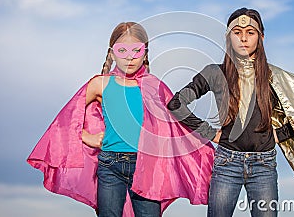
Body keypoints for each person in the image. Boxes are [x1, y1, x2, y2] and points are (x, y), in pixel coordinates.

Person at [167, 8, 294, 217]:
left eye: (250, 32)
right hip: (227, 163)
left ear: (261, 37)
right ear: (228, 37)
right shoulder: (214, 73)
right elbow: (176, 104)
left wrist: (276, 135)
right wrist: (210, 133)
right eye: (237, 32)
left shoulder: (275, 78)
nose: (243, 38)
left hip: (264, 165)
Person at [28, 22, 215, 217]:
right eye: (122, 50)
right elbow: (66, 119)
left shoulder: (155, 86)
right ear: (112, 52)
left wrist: (206, 145)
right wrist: (86, 137)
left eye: (136, 51)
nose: (129, 57)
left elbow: (177, 126)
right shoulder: (100, 83)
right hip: (110, 165)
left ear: (145, 52)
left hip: (148, 168)